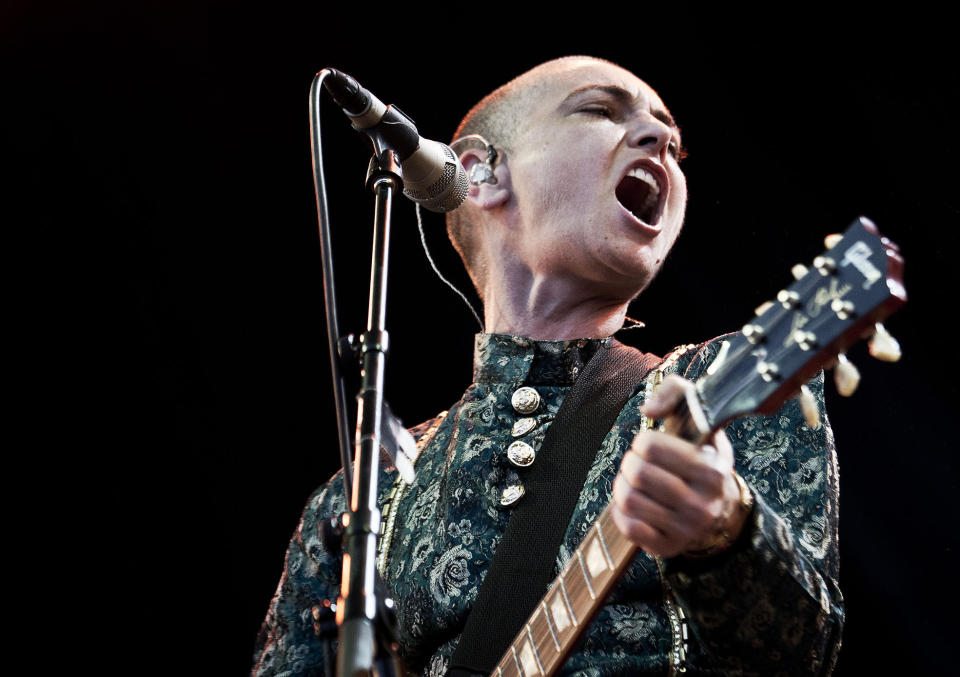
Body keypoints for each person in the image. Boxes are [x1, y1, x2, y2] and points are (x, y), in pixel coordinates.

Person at [252, 56, 843, 676]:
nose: (660, 140)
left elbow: (809, 654)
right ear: (478, 172)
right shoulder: (358, 498)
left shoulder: (718, 384)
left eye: (675, 142)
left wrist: (726, 533)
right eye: (599, 110)